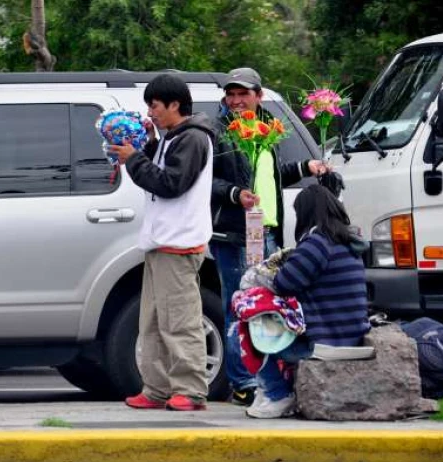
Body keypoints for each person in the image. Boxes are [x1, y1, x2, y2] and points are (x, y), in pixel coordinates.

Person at [209, 67, 329, 406]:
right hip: (234, 235)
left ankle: (268, 377)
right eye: (230, 95)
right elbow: (207, 181)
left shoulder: (267, 131)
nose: (235, 101)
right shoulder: (218, 131)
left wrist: (307, 168)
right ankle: (243, 381)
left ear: (259, 97)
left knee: (268, 308)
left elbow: (270, 180)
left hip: (268, 232)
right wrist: (235, 194)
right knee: (240, 307)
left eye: (243, 94)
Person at [109, 74, 214, 411]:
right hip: (161, 244)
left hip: (179, 244)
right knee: (152, 323)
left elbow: (171, 183)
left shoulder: (194, 139)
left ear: (174, 104)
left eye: (154, 106)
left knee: (180, 321)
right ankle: (156, 388)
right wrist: (149, 146)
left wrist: (134, 158)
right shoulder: (174, 138)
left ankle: (191, 389)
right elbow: (163, 170)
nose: (150, 113)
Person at [246, 184, 370, 419]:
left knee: (245, 321)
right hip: (351, 335)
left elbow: (284, 283)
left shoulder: (317, 243)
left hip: (324, 342)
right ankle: (274, 390)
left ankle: (277, 393)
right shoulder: (348, 241)